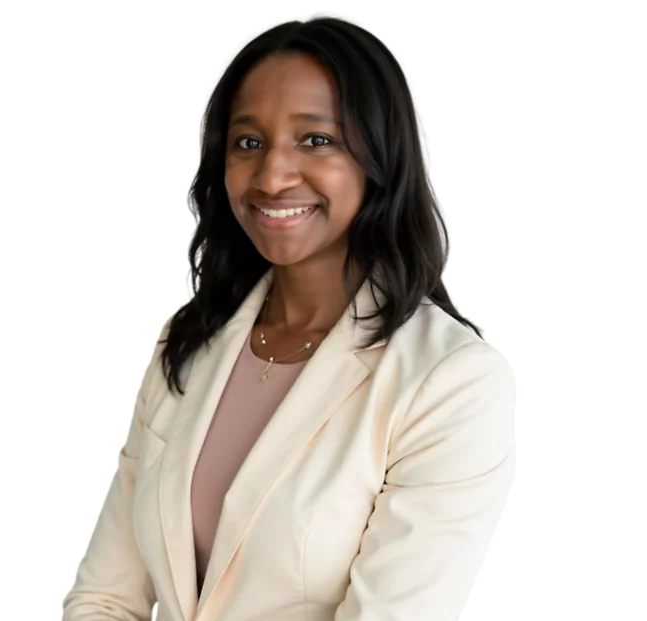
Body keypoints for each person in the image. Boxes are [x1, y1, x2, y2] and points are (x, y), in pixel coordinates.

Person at [61, 10, 515, 621]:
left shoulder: (452, 381)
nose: (272, 176)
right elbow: (105, 596)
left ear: (381, 156)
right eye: (248, 143)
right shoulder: (183, 341)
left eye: (316, 140)